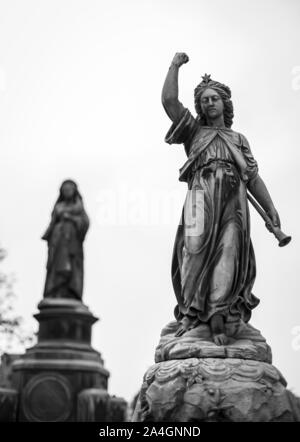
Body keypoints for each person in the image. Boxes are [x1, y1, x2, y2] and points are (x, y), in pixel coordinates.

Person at [162, 53, 281, 345]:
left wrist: (271, 207)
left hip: (233, 202)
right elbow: (169, 102)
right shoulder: (194, 132)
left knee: (229, 252)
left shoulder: (238, 139)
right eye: (204, 100)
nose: (209, 103)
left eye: (214, 98)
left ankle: (218, 317)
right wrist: (174, 66)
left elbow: (252, 177)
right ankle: (192, 316)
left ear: (224, 103)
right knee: (192, 251)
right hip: (199, 197)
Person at [42, 179, 89, 300]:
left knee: (72, 268)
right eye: (64, 190)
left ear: (74, 191)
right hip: (58, 243)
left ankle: (72, 291)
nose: (67, 192)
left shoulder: (79, 208)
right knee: (57, 268)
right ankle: (55, 291)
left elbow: (85, 223)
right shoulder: (58, 207)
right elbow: (52, 224)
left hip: (73, 245)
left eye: (69, 189)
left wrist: (72, 219)